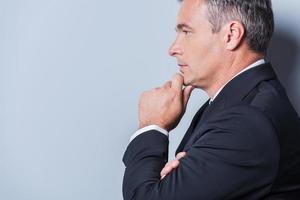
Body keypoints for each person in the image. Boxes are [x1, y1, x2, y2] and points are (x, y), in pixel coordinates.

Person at [122, 0, 300, 199]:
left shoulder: (246, 123)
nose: (173, 48)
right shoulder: (235, 103)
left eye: (186, 32)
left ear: (231, 35)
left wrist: (152, 126)